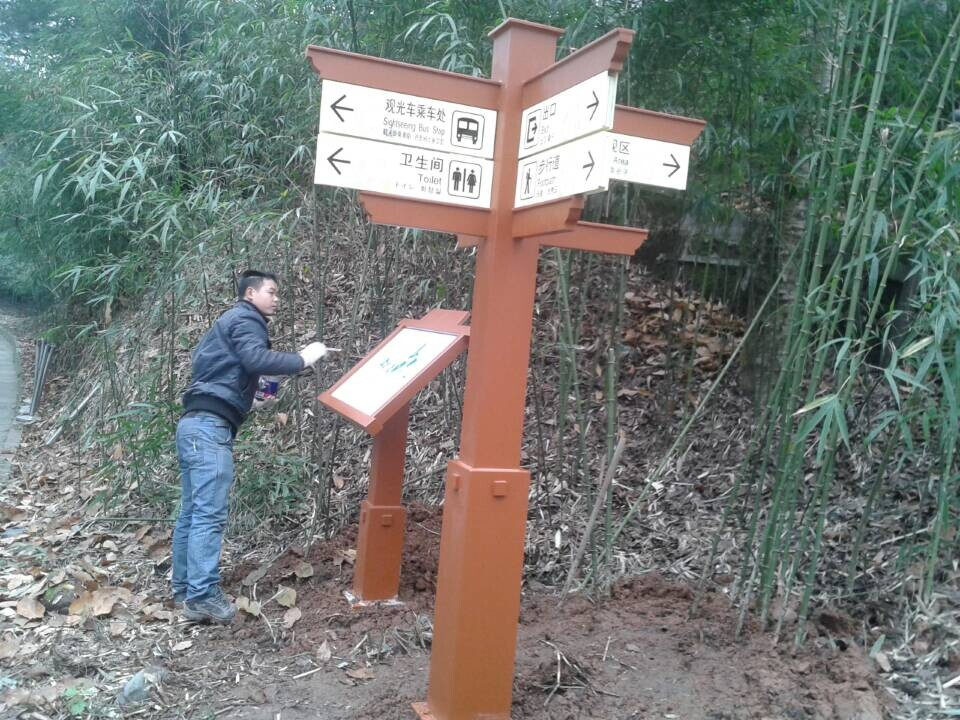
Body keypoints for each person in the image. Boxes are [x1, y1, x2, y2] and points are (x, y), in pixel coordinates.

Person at [172, 270, 328, 623]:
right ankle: (201, 596)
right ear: (250, 293)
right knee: (208, 515)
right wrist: (303, 358)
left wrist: (252, 400)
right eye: (271, 292)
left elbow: (224, 372)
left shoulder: (226, 324)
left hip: (194, 424)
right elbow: (256, 359)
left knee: (193, 513)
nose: (276, 299)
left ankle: (184, 589)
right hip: (210, 430)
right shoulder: (245, 318)